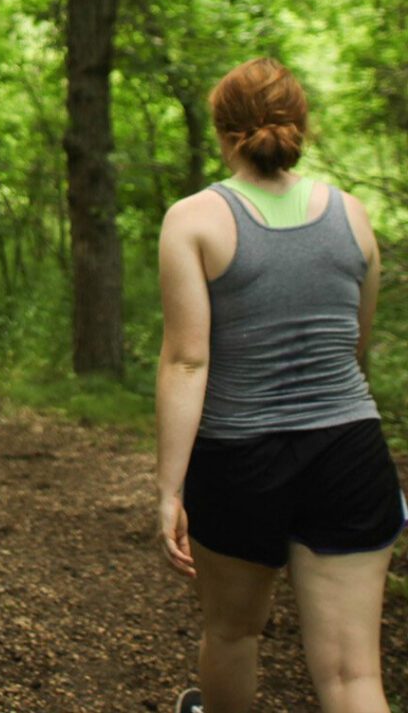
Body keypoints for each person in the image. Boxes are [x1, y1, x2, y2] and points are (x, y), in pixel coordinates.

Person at [156, 58, 407, 713]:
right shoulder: (352, 215)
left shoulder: (194, 219)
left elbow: (188, 360)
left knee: (234, 633)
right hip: (351, 454)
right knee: (354, 676)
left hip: (242, 459)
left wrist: (170, 486)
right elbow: (355, 347)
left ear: (222, 131)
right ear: (299, 124)